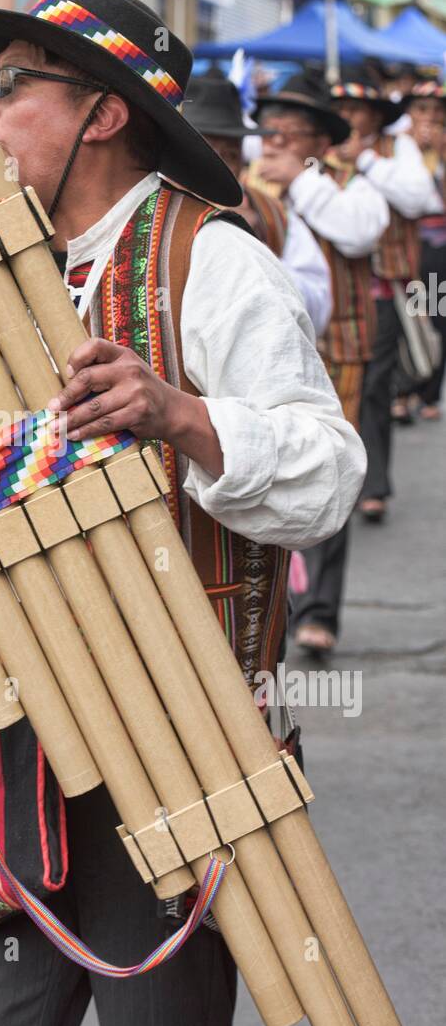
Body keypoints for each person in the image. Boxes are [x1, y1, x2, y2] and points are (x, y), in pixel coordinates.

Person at [0, 0, 366, 1026]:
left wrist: (184, 416)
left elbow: (328, 470)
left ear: (103, 113)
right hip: (21, 746)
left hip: (179, 740)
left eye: (8, 87)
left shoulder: (211, 259)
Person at [252, 74, 390, 655]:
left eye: (290, 135)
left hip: (337, 349)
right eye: (270, 133)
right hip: (261, 351)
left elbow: (360, 235)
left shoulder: (351, 187)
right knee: (262, 467)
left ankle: (320, 611)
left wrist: (301, 184)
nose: (275, 144)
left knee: (329, 466)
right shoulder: (241, 183)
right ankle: (265, 603)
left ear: (320, 143)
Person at [348, 77, 440, 520]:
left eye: (356, 110)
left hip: (382, 288)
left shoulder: (392, 148)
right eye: (339, 109)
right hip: (324, 292)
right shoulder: (315, 149)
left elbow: (418, 196)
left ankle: (374, 483)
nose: (347, 118)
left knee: (372, 387)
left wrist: (364, 161)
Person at [183, 70, 332, 335]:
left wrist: (255, 249)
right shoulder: (149, 207)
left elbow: (318, 309)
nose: (218, 165)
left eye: (229, 154)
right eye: (204, 150)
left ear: (243, 159)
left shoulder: (271, 212)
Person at [393, 82, 446, 421]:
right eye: (422, 109)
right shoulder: (398, 147)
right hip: (407, 248)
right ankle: (404, 387)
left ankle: (428, 392)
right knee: (409, 314)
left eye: (437, 111)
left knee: (438, 316)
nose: (429, 117)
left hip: (439, 250)